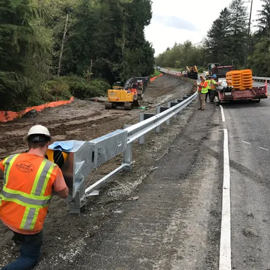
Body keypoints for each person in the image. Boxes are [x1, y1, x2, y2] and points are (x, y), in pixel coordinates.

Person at [0, 125, 68, 270]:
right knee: (29, 258)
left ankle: (18, 237)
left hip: (6, 216)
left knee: (18, 231)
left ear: (27, 143)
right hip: (29, 225)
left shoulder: (10, 159)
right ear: (48, 144)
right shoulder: (52, 168)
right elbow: (64, 194)